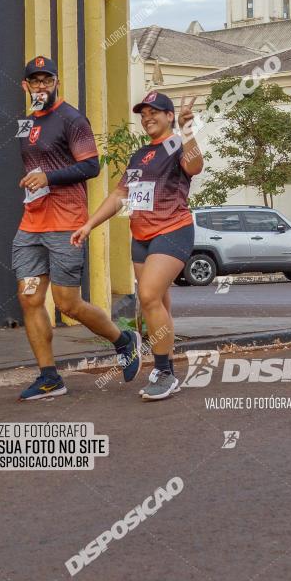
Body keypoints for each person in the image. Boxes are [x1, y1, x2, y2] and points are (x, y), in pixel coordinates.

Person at [13, 56, 141, 400]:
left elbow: (91, 166)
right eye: (35, 81)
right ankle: (49, 377)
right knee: (29, 298)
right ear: (26, 86)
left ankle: (122, 339)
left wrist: (48, 177)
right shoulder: (26, 123)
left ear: (57, 83)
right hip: (31, 227)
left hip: (65, 224)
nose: (42, 86)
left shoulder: (72, 119)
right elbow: (36, 163)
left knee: (68, 304)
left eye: (48, 80)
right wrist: (32, 180)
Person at [71, 91, 203, 401]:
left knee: (148, 295)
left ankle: (165, 374)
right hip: (141, 235)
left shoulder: (177, 144)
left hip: (173, 230)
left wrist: (187, 129)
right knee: (154, 304)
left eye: (154, 112)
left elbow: (194, 166)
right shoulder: (139, 155)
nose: (147, 118)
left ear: (170, 116)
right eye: (143, 114)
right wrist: (89, 224)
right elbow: (120, 196)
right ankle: (165, 365)